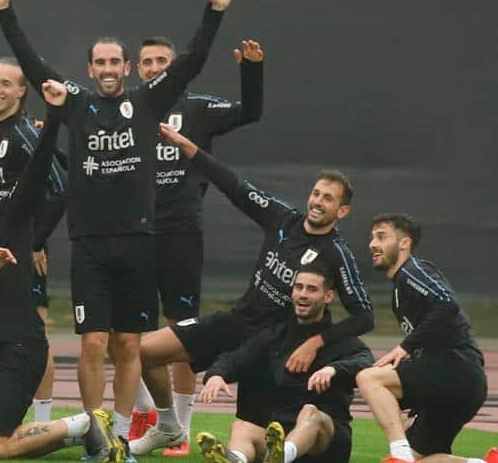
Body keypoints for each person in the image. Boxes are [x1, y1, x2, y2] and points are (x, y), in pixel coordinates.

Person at [0, 0, 241, 446]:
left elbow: (191, 63)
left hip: (139, 240)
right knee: (92, 343)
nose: (106, 69)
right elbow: (32, 64)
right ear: (89, 69)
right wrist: (5, 12)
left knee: (128, 344)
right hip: (90, 243)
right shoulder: (76, 103)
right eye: (98, 62)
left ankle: (120, 439)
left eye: (114, 62)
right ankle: (94, 436)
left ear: (126, 67)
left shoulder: (146, 102)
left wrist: (215, 13)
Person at [133, 125, 374, 455]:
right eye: (316, 193)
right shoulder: (283, 219)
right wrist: (188, 147)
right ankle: (169, 426)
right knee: (143, 351)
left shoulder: (337, 253)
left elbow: (364, 316)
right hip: (236, 322)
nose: (318, 202)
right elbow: (235, 186)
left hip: (272, 345)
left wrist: (315, 342)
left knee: (255, 440)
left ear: (341, 211)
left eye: (328, 198)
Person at [0, 80, 123, 461]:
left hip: (19, 349)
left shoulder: (9, 218)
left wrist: (55, 115)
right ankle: (82, 430)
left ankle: (83, 424)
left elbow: (37, 170)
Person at [129, 37, 265, 455]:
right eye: (147, 62)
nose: (154, 68)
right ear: (137, 70)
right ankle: (144, 413)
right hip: (132, 233)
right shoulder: (127, 110)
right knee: (127, 331)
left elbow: (251, 112)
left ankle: (182, 431)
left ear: (176, 67)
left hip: (180, 232)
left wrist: (252, 70)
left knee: (182, 329)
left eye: (162, 61)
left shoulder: (198, 109)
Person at [189, 266, 373, 463]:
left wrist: (334, 369)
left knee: (311, 413)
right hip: (277, 436)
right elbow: (235, 359)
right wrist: (217, 375)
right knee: (242, 427)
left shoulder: (341, 340)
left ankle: (284, 454)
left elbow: (365, 362)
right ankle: (237, 460)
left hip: (324, 446)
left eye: (311, 289)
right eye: (298, 287)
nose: (303, 294)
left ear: (328, 296)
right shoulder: (275, 335)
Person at [0, 56, 69, 421]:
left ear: (21, 91)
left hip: (23, 252)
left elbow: (60, 189)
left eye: (5, 84)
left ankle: (43, 423)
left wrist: (35, 242)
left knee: (34, 337)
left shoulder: (26, 132)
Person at [357, 214, 490, 463]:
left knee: (369, 378)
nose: (372, 244)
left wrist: (405, 347)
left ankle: (400, 455)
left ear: (405, 243)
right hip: (461, 383)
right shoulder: (400, 287)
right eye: (372, 237)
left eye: (381, 236)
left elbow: (447, 304)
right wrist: (419, 403)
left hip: (456, 370)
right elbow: (433, 333)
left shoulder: (413, 271)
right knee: (422, 459)